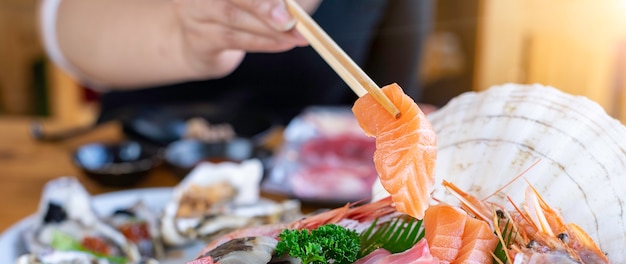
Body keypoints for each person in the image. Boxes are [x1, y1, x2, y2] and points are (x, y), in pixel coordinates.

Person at [38, 0, 434, 130]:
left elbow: (395, 115)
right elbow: (61, 22)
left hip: (311, 193)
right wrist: (182, 34)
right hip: (142, 157)